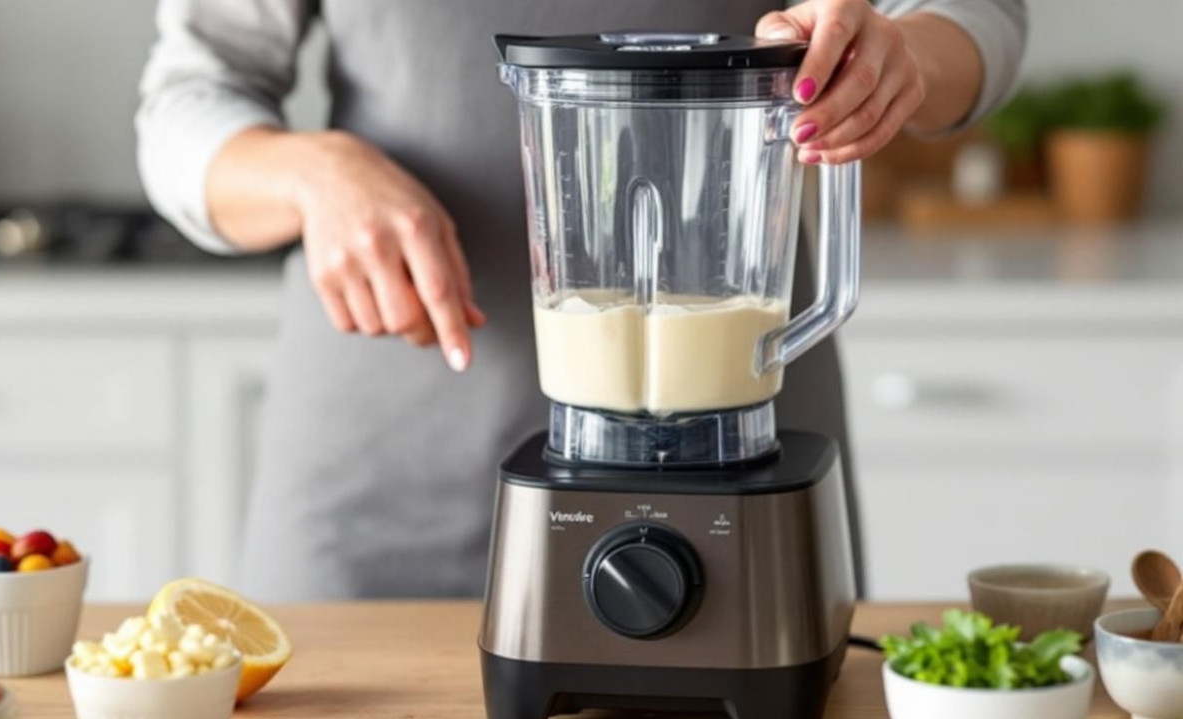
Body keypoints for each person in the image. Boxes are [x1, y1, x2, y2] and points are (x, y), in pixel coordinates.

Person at [138, 0, 1027, 601]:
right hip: (382, 471)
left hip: (731, 450)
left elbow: (979, 15)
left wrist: (894, 56)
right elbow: (188, 99)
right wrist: (310, 173)